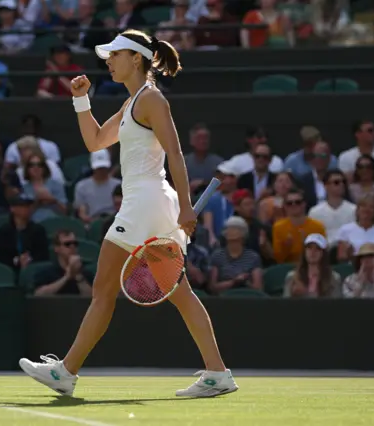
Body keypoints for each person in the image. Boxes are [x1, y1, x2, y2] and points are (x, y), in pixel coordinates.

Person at [18, 29, 237, 398]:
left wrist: (186, 205)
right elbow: (95, 142)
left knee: (104, 288)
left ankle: (66, 372)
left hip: (146, 203)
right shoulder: (130, 103)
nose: (109, 61)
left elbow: (176, 153)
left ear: (135, 58)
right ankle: (217, 373)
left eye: (115, 55)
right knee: (179, 293)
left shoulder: (152, 99)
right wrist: (81, 100)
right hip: (145, 204)